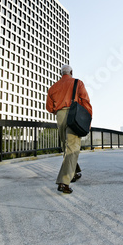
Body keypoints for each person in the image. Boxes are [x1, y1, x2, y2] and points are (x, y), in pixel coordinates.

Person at [46, 64, 92, 194]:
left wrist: (59, 110)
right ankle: (64, 182)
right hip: (73, 115)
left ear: (61, 73)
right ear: (71, 72)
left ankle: (74, 172)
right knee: (72, 148)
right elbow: (86, 102)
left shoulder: (53, 87)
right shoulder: (78, 83)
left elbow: (49, 108)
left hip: (60, 116)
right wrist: (88, 119)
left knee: (66, 146)